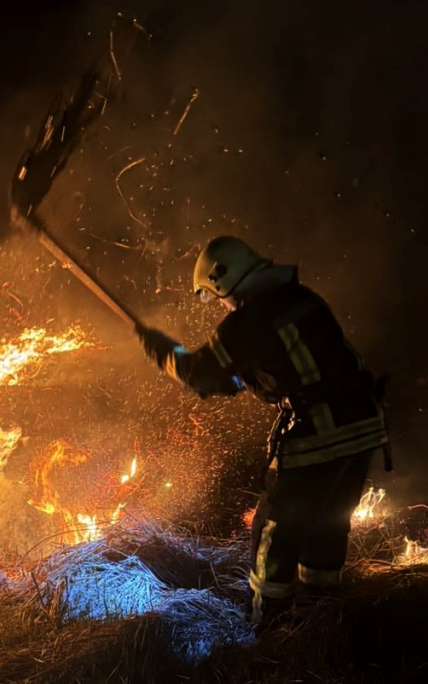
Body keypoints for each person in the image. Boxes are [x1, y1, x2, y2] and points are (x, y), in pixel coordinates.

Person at [135, 235, 391, 626]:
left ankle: (266, 629)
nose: (219, 305)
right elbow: (256, 374)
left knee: (276, 530)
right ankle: (321, 614)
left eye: (214, 296)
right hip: (362, 426)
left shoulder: (246, 322)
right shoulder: (301, 299)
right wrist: (220, 378)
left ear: (222, 282)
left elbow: (199, 373)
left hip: (317, 432)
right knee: (328, 521)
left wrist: (162, 349)